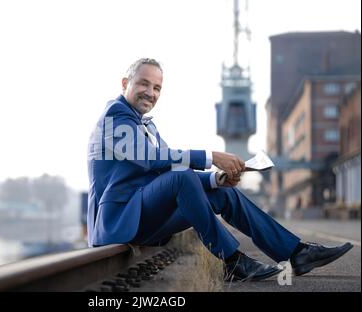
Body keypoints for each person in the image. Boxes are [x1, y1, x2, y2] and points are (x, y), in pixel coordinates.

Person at [86, 58, 353, 281]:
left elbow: (169, 166)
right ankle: (233, 260)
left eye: (157, 87)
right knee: (181, 178)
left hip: (143, 214)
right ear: (125, 84)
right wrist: (212, 156)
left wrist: (216, 178)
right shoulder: (116, 115)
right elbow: (149, 159)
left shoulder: (147, 126)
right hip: (120, 218)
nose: (151, 92)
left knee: (223, 193)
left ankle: (296, 252)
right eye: (144, 83)